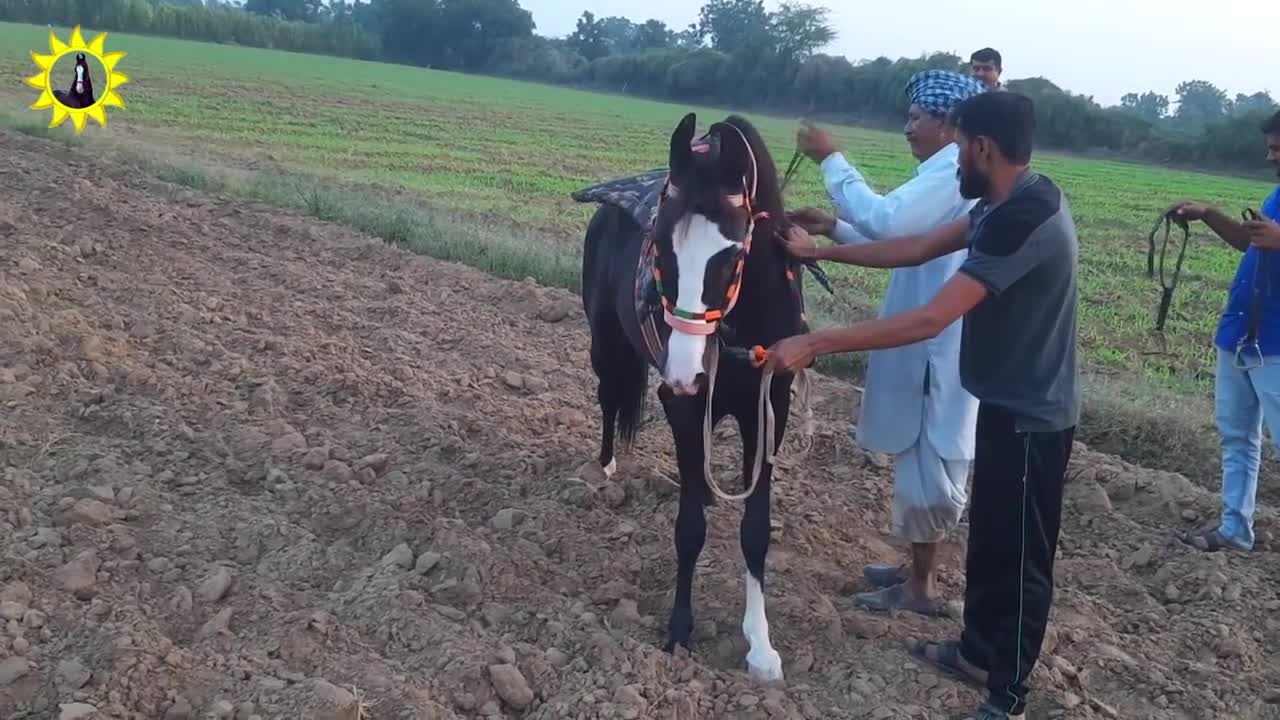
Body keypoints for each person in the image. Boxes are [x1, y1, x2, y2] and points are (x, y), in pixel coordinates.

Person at [768, 90, 1079, 720]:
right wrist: (823, 250)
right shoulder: (1001, 200)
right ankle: (975, 652)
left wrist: (817, 341)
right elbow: (914, 249)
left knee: (1019, 561)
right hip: (1002, 399)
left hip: (1033, 417)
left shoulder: (1026, 214)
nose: (952, 156)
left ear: (983, 147)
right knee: (993, 542)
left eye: (960, 144)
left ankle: (1007, 696)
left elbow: (933, 315)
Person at [787, 69, 986, 617]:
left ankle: (920, 589)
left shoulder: (950, 173)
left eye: (916, 117)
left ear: (948, 125)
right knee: (921, 457)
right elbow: (908, 247)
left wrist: (831, 158)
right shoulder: (948, 170)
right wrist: (832, 227)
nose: (908, 128)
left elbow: (891, 223)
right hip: (928, 338)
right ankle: (916, 569)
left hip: (937, 344)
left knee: (933, 463)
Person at [1172, 109, 1280, 553]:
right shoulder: (1277, 194)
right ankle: (1235, 530)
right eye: (1271, 147)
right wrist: (1207, 214)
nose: (1270, 156)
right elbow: (1247, 241)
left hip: (1276, 345)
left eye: (1277, 149)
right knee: (1237, 438)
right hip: (1241, 336)